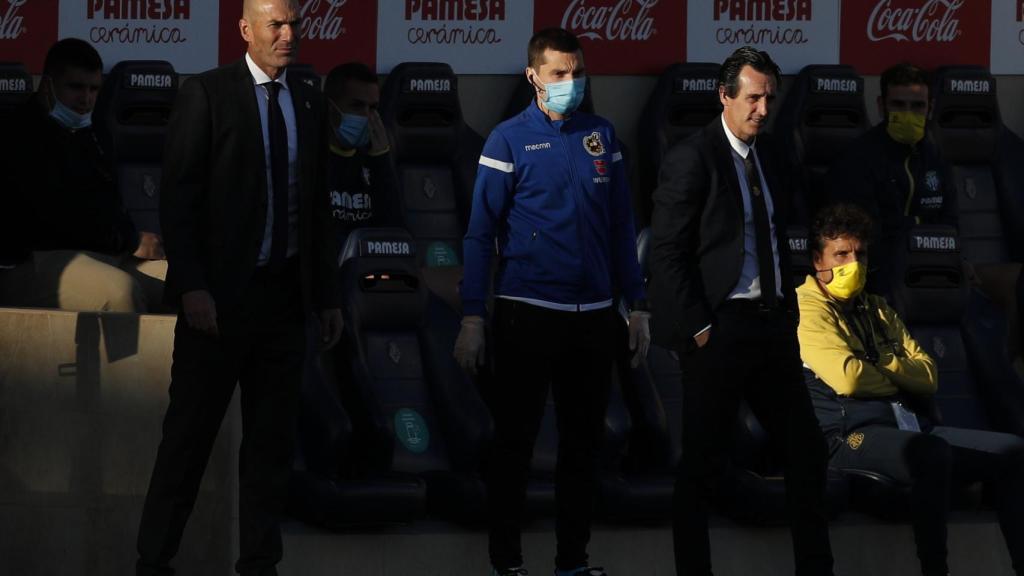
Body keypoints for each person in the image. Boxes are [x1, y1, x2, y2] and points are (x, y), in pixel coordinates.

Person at [135, 1, 342, 574]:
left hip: (284, 301)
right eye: (275, 24)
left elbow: (317, 206)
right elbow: (178, 198)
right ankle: (152, 562)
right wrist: (193, 287)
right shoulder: (207, 92)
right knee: (187, 441)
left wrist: (325, 295)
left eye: (294, 23)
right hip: (219, 303)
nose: (287, 34)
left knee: (271, 450)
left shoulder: (308, 99)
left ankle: (259, 565)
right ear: (245, 29)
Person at [454, 27, 649, 576]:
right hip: (527, 314)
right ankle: (507, 564)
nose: (571, 83)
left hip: (592, 320)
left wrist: (637, 304)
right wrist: (473, 316)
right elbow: (477, 235)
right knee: (514, 446)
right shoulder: (507, 140)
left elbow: (619, 227)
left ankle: (571, 563)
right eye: (559, 73)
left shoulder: (602, 135)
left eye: (578, 72)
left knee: (582, 450)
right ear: (533, 76)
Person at [648, 46, 834, 576]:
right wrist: (700, 330)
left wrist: (791, 308)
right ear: (725, 97)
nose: (762, 109)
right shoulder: (693, 157)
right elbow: (667, 253)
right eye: (753, 97)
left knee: (806, 452)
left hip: (772, 327)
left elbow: (784, 231)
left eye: (769, 98)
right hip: (720, 329)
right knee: (702, 464)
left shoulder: (775, 154)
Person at [797, 202, 1024, 576]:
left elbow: (929, 375)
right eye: (840, 254)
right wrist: (900, 372)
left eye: (860, 253)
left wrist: (881, 367)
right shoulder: (806, 308)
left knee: (1014, 452)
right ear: (817, 260)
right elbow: (848, 379)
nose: (852, 264)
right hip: (848, 436)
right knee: (930, 453)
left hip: (906, 427)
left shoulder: (878, 308)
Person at [0, 38, 166, 312]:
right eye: (75, 87)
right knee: (119, 293)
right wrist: (131, 241)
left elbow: (109, 205)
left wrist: (129, 239)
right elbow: (55, 221)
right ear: (47, 84)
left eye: (94, 89)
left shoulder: (95, 132)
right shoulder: (19, 134)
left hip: (102, 252)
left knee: (181, 285)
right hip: (32, 260)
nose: (86, 99)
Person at [827, 63, 956, 295]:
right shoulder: (858, 158)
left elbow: (950, 222)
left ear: (930, 108)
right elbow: (868, 235)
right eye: (898, 105)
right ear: (881, 106)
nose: (908, 114)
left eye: (917, 106)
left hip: (936, 267)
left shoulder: (936, 155)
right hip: (879, 274)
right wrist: (920, 226)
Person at [323, 61, 399, 254]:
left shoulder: (375, 159)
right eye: (357, 106)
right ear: (330, 108)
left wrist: (381, 161)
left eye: (373, 108)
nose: (366, 116)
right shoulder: (310, 157)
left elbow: (393, 232)